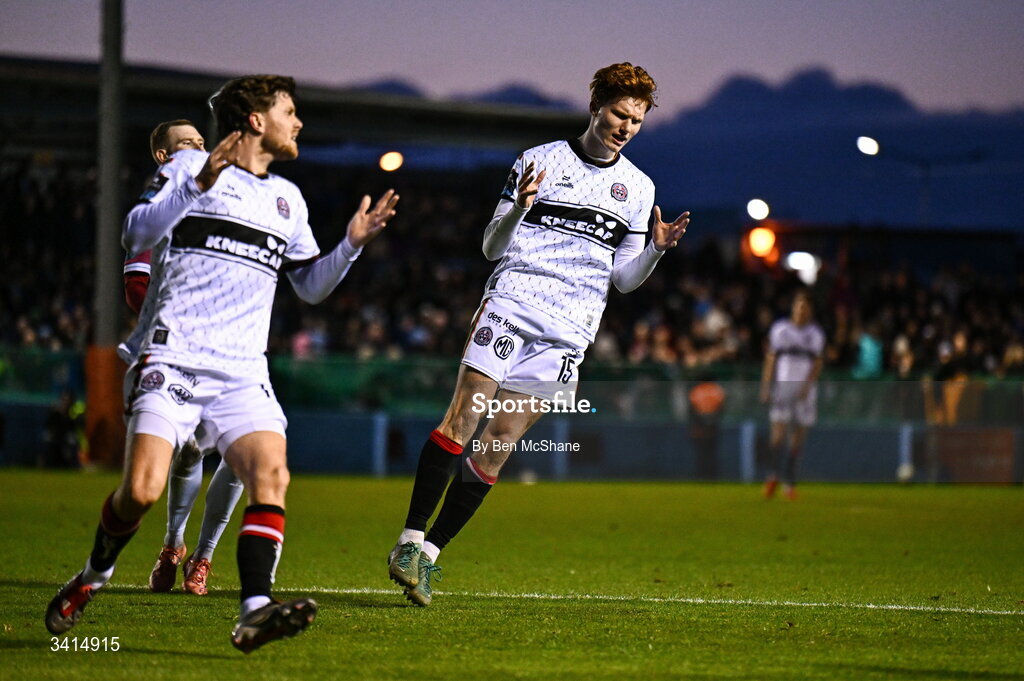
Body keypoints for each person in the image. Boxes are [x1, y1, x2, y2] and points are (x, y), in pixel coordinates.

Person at [46, 75, 399, 652]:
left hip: (242, 371)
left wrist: (352, 244)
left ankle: (255, 608)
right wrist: (200, 182)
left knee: (271, 474)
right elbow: (136, 232)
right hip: (176, 354)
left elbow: (309, 287)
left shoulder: (287, 198)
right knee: (140, 491)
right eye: (290, 111)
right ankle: (93, 577)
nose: (299, 122)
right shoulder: (188, 169)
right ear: (256, 120)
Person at [386, 63, 690, 607]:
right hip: (512, 305)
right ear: (596, 105)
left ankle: (430, 556)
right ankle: (407, 540)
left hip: (569, 332)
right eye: (620, 114)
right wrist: (520, 210)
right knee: (464, 417)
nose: (626, 127)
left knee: (498, 447)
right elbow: (490, 247)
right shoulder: (538, 161)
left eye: (637, 121)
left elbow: (622, 279)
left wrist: (655, 251)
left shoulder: (639, 189)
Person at [120, 119, 243, 597]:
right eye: (185, 142)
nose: (197, 146)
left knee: (243, 451)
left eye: (199, 140)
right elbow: (136, 288)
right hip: (180, 347)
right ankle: (173, 544)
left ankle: (205, 556)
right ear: (163, 157)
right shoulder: (158, 208)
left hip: (234, 346)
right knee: (191, 451)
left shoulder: (228, 199)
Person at [759, 289, 825, 500]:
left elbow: (817, 362)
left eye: (806, 307)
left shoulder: (815, 334)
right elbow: (771, 359)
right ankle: (772, 477)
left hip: (804, 392)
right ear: (794, 308)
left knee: (797, 440)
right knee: (777, 436)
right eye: (799, 306)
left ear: (810, 310)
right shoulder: (780, 330)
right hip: (783, 388)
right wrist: (766, 386)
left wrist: (807, 386)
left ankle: (790, 482)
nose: (802, 310)